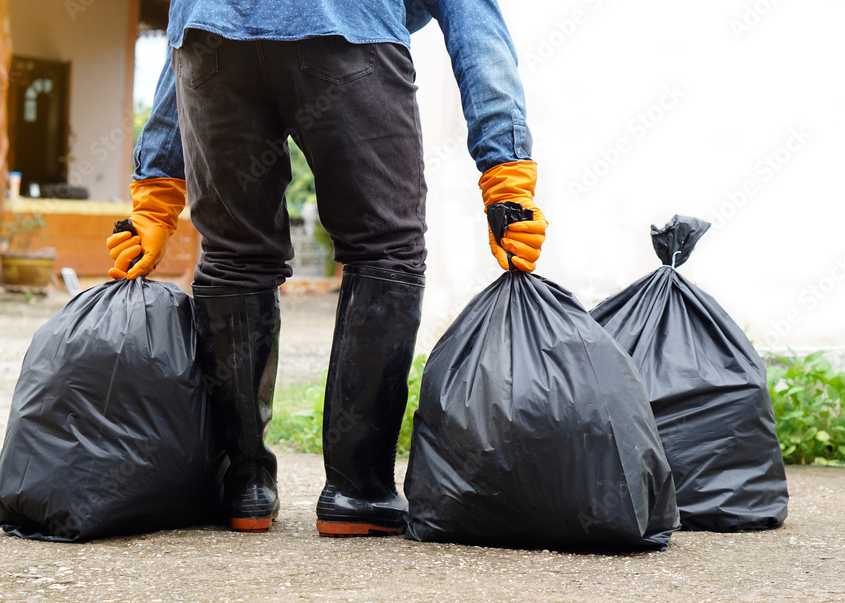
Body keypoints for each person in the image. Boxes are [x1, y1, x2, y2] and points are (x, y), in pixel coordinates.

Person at [105, 0, 548, 537]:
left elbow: (184, 31)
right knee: (385, 249)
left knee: (234, 257)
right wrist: (506, 171)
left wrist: (155, 189)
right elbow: (475, 28)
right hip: (346, 34)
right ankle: (357, 490)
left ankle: (244, 488)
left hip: (211, 46)